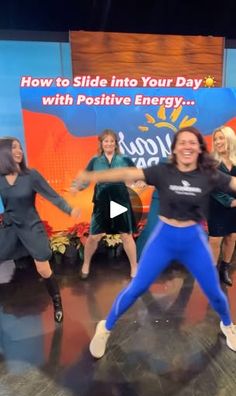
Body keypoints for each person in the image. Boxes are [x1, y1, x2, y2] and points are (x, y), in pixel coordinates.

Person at [75, 126, 236, 358]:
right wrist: (92, 176)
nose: (187, 146)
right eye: (182, 142)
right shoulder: (163, 171)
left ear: (200, 148)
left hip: (193, 240)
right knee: (137, 287)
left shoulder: (208, 173)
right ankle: (105, 327)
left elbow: (232, 184)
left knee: (214, 291)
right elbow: (125, 173)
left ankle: (228, 325)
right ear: (175, 148)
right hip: (165, 237)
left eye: (192, 142)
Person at [0, 137, 80, 323]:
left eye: (20, 147)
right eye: (14, 148)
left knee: (43, 268)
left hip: (31, 225)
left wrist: (69, 209)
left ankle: (57, 301)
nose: (19, 151)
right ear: (4, 152)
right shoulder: (1, 178)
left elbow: (53, 196)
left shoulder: (31, 176)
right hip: (10, 226)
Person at [71, 129, 137, 279]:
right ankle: (86, 264)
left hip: (119, 200)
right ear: (101, 143)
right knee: (94, 236)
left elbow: (135, 174)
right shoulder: (95, 160)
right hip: (102, 201)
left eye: (111, 141)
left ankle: (134, 267)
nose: (109, 143)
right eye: (106, 141)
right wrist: (76, 187)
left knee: (126, 235)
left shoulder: (124, 159)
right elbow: (85, 179)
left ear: (115, 144)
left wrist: (138, 182)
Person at [208, 126, 236, 287]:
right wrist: (230, 202)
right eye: (216, 139)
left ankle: (224, 269)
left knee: (232, 237)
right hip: (217, 206)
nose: (218, 142)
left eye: (221, 138)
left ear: (230, 139)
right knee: (215, 239)